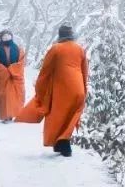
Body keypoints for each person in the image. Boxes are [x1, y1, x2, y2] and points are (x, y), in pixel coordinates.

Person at [15, 25, 88, 157]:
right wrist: (84, 89)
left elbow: (45, 71)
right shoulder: (80, 49)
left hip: (62, 89)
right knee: (71, 116)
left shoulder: (56, 49)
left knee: (58, 117)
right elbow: (85, 71)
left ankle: (63, 145)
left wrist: (40, 88)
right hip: (78, 89)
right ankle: (62, 142)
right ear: (72, 35)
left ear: (60, 35)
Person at [0, 29, 26, 122]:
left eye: (8, 35)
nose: (6, 37)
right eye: (4, 36)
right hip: (3, 77)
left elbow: (21, 62)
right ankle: (5, 116)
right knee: (4, 97)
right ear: (1, 38)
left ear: (11, 36)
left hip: (14, 77)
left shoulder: (18, 49)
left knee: (14, 96)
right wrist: (5, 71)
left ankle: (13, 114)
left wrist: (12, 69)